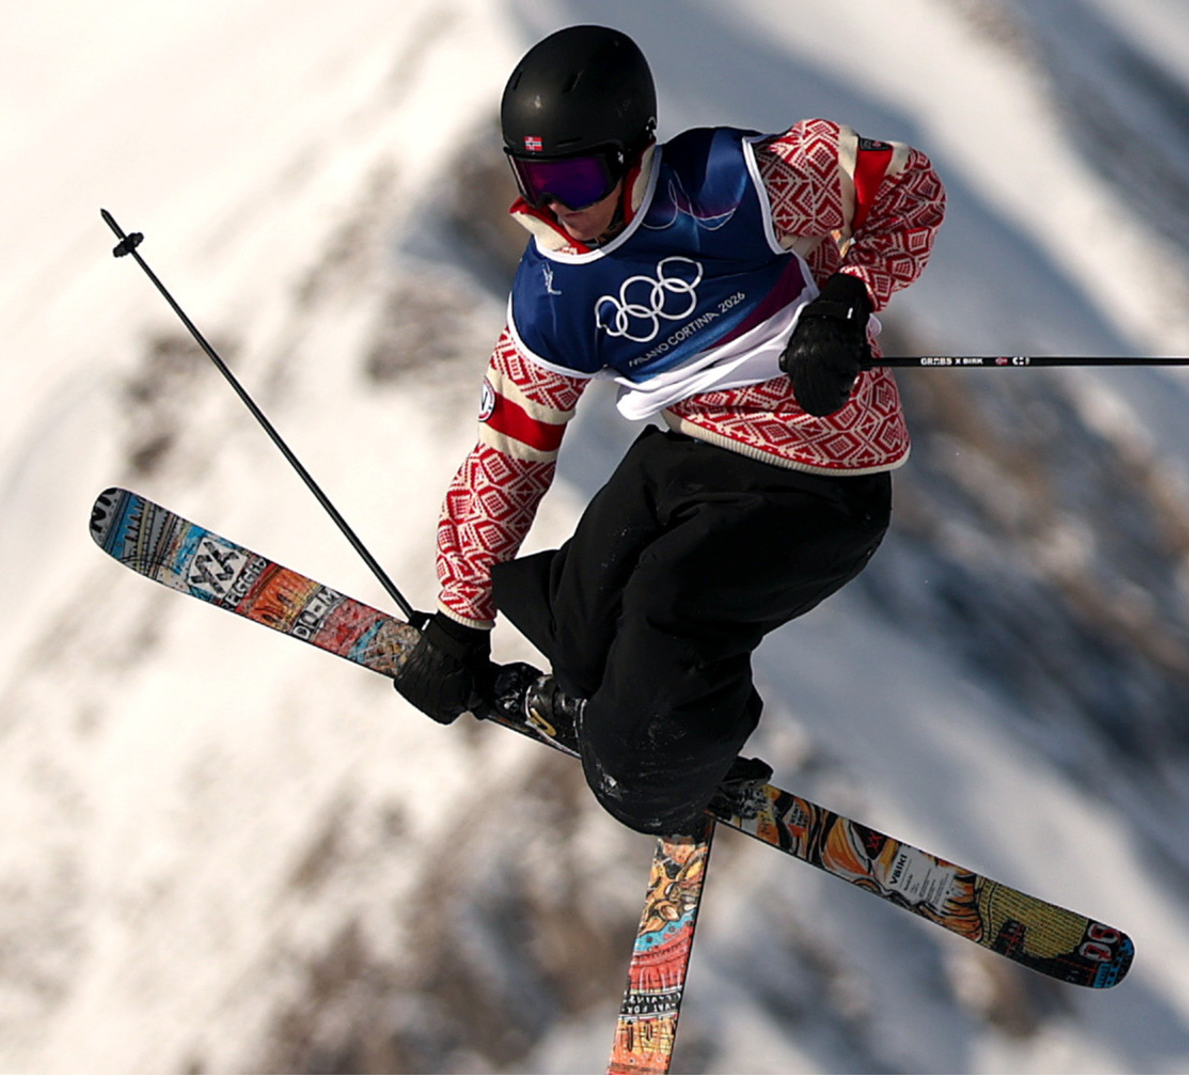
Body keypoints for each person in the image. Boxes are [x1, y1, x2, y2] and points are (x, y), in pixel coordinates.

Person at [394, 24, 945, 837]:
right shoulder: (552, 293)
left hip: (821, 472)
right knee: (582, 621)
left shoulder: (736, 186)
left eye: (576, 174)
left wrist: (846, 302)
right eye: (534, 176)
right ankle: (604, 694)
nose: (556, 204)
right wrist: (459, 620)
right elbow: (509, 452)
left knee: (665, 610)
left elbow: (906, 187)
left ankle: (657, 759)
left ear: (632, 153)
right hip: (696, 452)